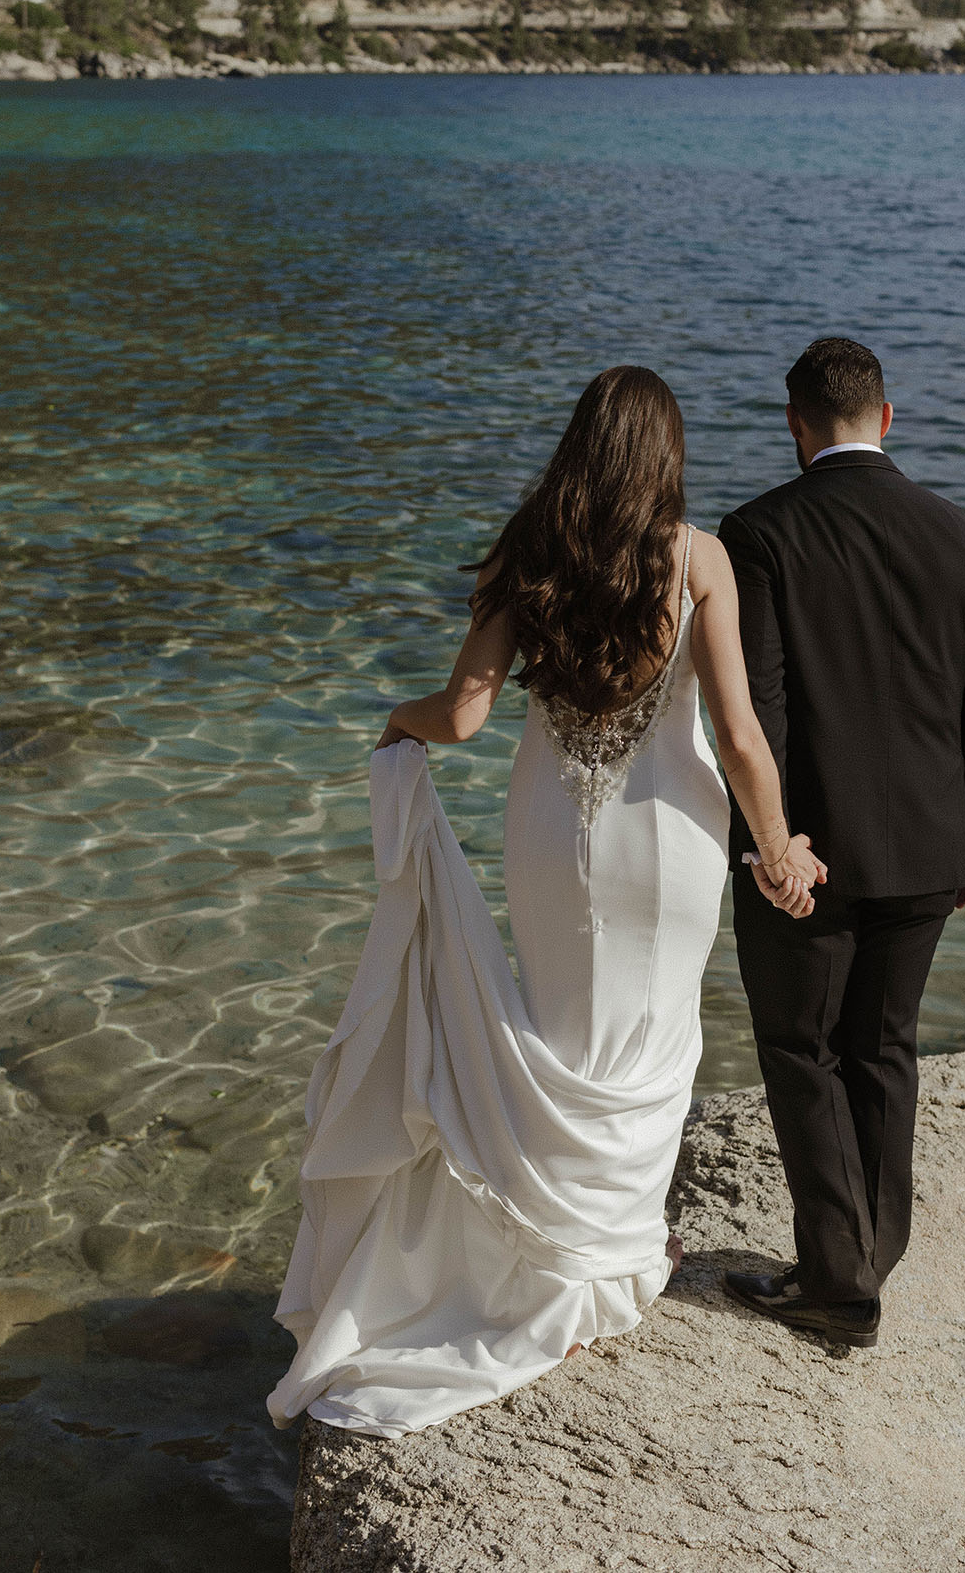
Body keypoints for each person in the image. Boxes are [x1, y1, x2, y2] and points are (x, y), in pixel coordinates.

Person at [267, 365, 823, 1437]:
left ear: (580, 443)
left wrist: (398, 715)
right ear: (665, 452)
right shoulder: (699, 556)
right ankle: (613, 1255)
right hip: (670, 839)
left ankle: (566, 1256)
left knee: (561, 1036)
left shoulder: (533, 548)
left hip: (550, 832)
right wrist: (782, 848)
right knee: (653, 1041)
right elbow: (743, 738)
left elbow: (467, 715)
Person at [718, 337, 965, 1349]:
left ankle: (840, 1285)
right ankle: (869, 1251)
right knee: (884, 1048)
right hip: (930, 846)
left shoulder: (758, 534)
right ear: (887, 419)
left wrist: (774, 840)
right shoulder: (963, 532)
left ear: (796, 424)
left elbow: (755, 708)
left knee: (803, 1048)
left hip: (805, 848)